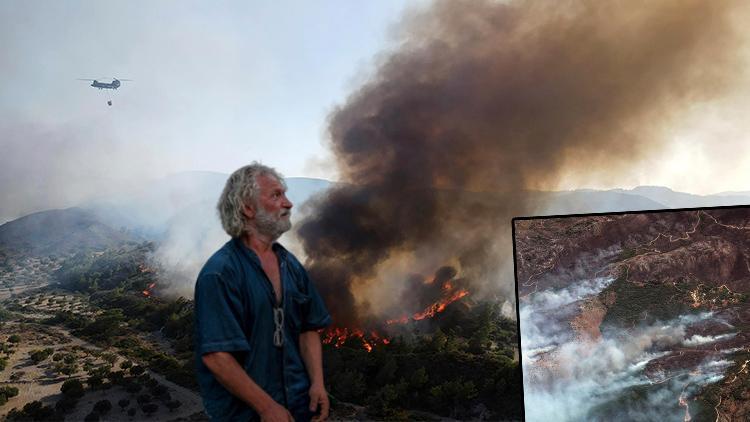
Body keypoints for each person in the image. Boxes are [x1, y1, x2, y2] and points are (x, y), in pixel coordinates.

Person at [194, 163, 332, 421]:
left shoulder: (291, 266)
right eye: (276, 195)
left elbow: (308, 328)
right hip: (245, 414)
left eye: (285, 194)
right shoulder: (221, 273)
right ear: (247, 208)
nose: (289, 203)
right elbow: (216, 356)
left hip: (299, 406)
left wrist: (317, 383)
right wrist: (266, 407)